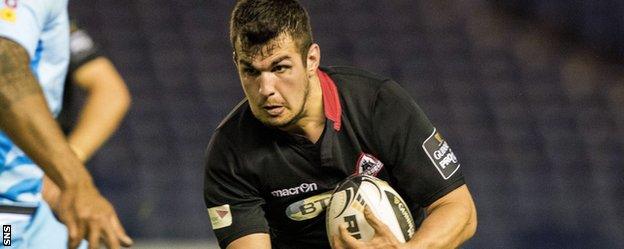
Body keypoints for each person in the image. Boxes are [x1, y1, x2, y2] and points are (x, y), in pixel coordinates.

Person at [203, 0, 477, 248]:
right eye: (250, 71)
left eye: (280, 68)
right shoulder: (229, 153)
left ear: (311, 59)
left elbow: (458, 208)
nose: (266, 89)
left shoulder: (378, 105)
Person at [0, 1, 132, 249]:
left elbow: (111, 92)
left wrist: (65, 164)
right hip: (6, 213)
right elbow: (4, 68)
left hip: (27, 205)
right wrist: (75, 181)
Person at [43, 21, 132, 213]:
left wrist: (65, 164)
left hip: (30, 183)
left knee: (6, 237)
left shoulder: (45, 17)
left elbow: (111, 93)